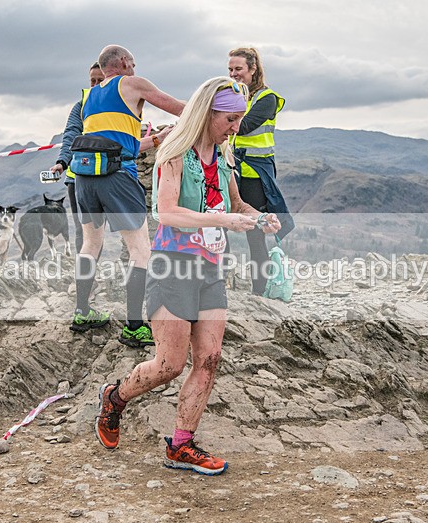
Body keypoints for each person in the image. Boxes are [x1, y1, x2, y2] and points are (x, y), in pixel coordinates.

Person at [94, 76, 281, 475]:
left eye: (239, 119)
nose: (236, 127)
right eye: (230, 119)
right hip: (172, 266)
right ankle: (115, 398)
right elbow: (167, 213)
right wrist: (225, 220)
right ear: (207, 113)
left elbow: (235, 203)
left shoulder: (225, 155)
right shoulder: (175, 152)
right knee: (169, 364)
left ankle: (181, 446)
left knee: (209, 359)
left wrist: (258, 218)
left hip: (210, 269)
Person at [71, 44, 181, 348]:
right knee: (140, 250)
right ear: (123, 62)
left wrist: (158, 139)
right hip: (119, 178)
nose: (135, 67)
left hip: (86, 177)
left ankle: (82, 312)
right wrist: (218, 104)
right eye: (132, 62)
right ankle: (134, 326)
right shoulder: (133, 84)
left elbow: (123, 143)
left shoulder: (89, 97)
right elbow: (181, 108)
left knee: (91, 244)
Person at [227, 47, 295, 296]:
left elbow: (241, 127)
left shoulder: (267, 98)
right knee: (219, 225)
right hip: (233, 171)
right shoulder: (235, 95)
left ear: (253, 69)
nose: (234, 74)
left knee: (255, 236)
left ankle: (259, 293)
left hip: (255, 174)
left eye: (239, 69)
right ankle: (218, 288)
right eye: (230, 70)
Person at [49, 62, 105, 253]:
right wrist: (62, 162)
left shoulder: (120, 108)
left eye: (101, 80)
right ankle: (84, 277)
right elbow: (71, 134)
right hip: (77, 178)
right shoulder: (80, 107)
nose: (96, 85)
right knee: (84, 231)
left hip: (107, 177)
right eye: (92, 81)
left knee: (100, 231)